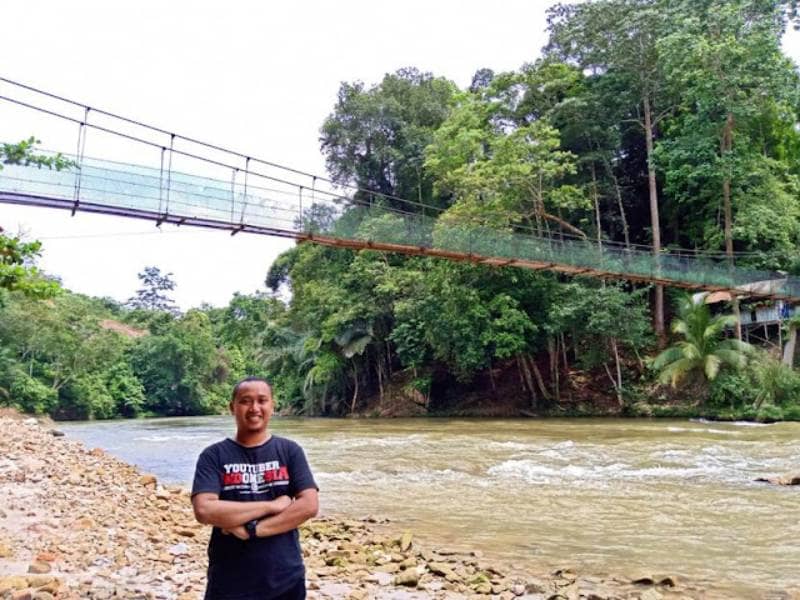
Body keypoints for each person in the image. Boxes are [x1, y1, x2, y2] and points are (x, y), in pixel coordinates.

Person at [191, 377, 319, 600]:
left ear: (272, 406)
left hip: (285, 579)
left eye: (262, 400)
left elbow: (309, 505)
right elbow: (204, 510)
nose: (254, 408)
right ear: (232, 407)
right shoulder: (213, 455)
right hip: (229, 581)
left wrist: (251, 531)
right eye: (245, 401)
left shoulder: (290, 451)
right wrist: (271, 505)